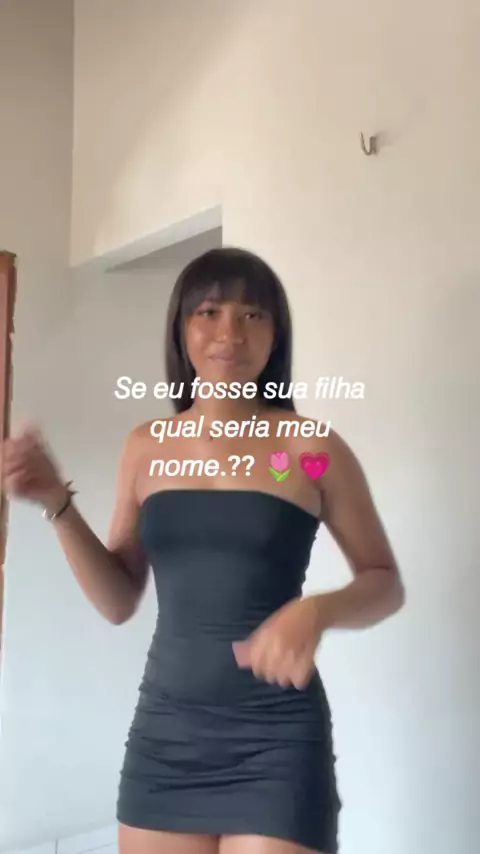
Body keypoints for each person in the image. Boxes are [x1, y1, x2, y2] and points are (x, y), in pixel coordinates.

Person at [2, 247, 405, 854]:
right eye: (209, 311)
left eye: (252, 315)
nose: (229, 333)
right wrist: (58, 502)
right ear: (182, 328)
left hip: (277, 742)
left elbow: (383, 580)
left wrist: (316, 612)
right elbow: (118, 600)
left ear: (276, 334)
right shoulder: (147, 447)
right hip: (166, 734)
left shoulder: (311, 450)